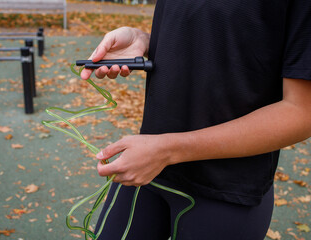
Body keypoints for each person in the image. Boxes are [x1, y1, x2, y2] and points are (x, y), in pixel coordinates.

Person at [80, 1, 311, 239]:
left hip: (225, 189)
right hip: (147, 164)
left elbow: (301, 112)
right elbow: (221, 32)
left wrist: (168, 150)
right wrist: (144, 39)